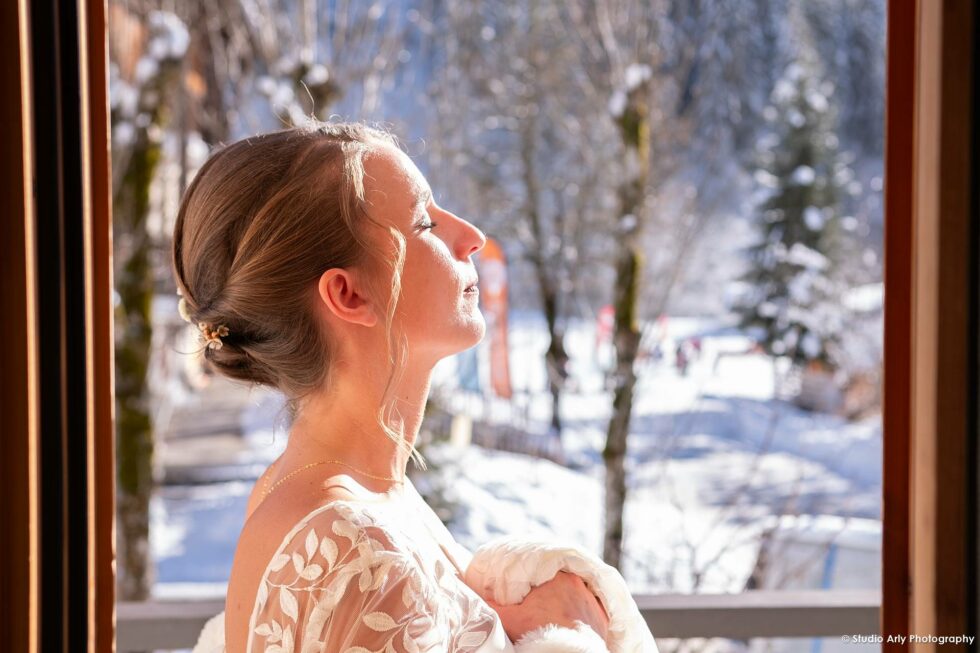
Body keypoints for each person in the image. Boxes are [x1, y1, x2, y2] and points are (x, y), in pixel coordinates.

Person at [174, 122, 649, 652]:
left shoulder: (364, 496)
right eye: (425, 221)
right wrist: (575, 628)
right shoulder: (353, 546)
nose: (470, 236)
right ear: (349, 295)